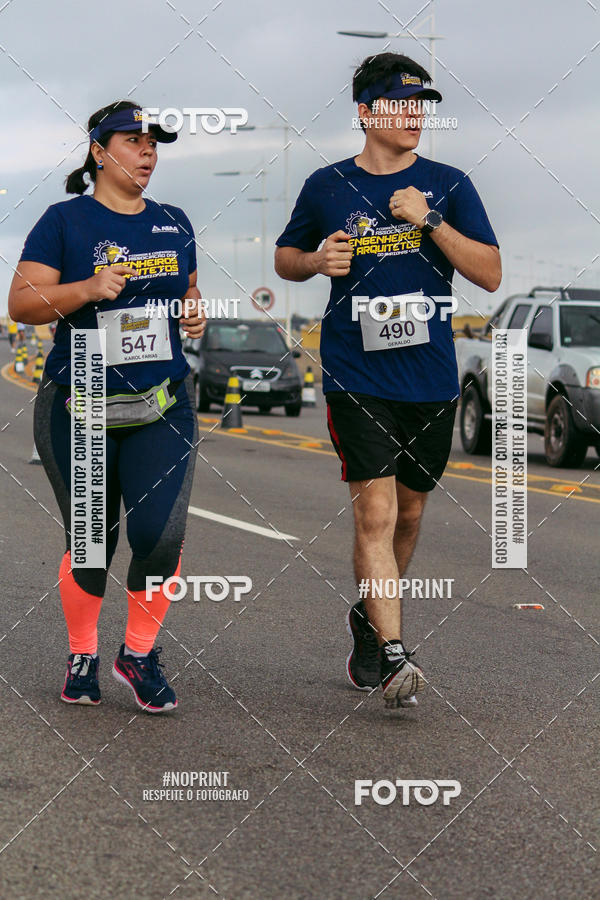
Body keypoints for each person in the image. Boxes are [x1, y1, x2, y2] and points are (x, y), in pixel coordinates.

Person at [275, 53, 501, 709]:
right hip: (355, 373)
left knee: (409, 514)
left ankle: (369, 620)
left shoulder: (448, 184)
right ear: (367, 112)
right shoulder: (326, 186)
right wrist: (317, 258)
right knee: (374, 513)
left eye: (422, 106)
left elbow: (488, 273)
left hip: (429, 378)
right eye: (401, 104)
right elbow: (287, 258)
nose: (414, 117)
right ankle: (396, 654)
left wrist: (427, 220)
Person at [8, 100, 205, 713]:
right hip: (81, 402)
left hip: (162, 406)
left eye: (155, 143)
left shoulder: (175, 222)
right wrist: (87, 288)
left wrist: (193, 311)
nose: (149, 151)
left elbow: (187, 289)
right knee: (93, 540)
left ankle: (139, 654)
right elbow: (21, 303)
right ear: (99, 151)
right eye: (135, 140)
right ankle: (84, 653)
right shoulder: (65, 221)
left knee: (159, 535)